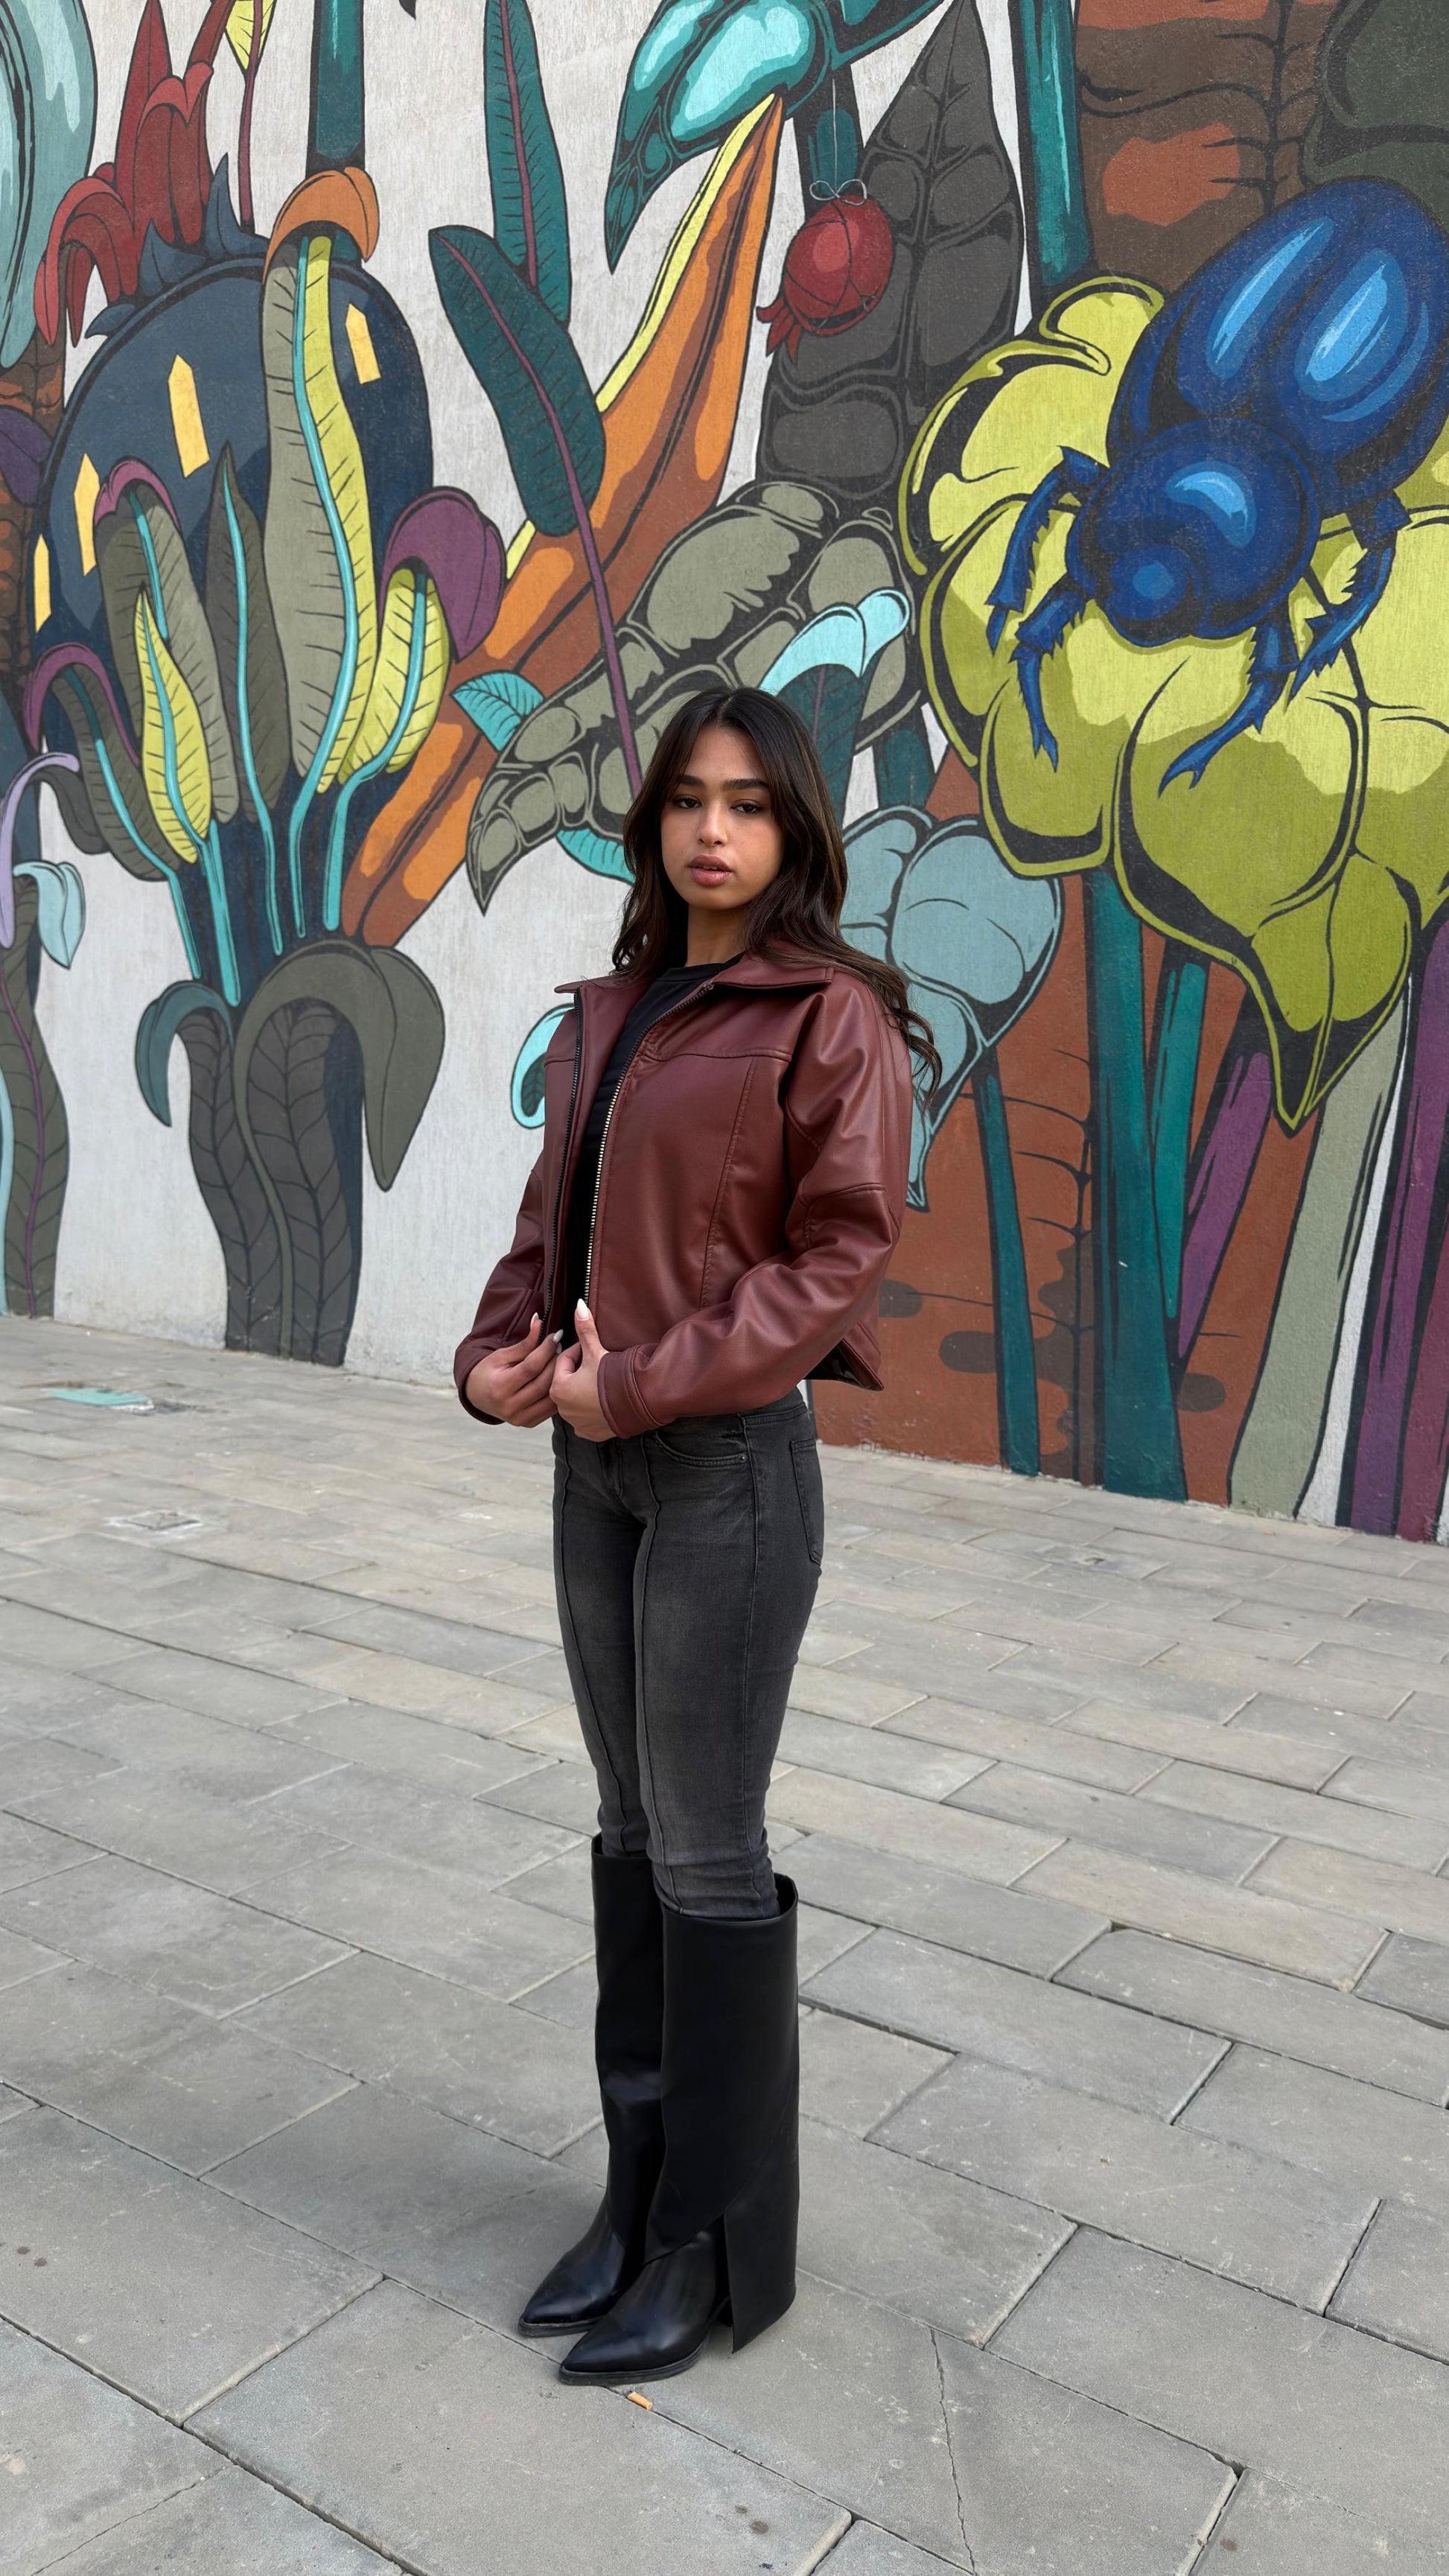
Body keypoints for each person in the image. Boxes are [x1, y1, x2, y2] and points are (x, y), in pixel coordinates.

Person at [454, 686, 935, 2385]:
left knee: (707, 1848)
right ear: (652, 819)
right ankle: (635, 2193)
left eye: (747, 803)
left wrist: (639, 1384)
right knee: (626, 1824)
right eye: (685, 800)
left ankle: (713, 2248)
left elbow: (835, 1259)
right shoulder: (611, 1011)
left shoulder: (829, 1017)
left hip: (726, 1469)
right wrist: (494, 1362)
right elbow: (549, 1228)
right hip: (593, 1470)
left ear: (795, 830)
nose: (711, 830)